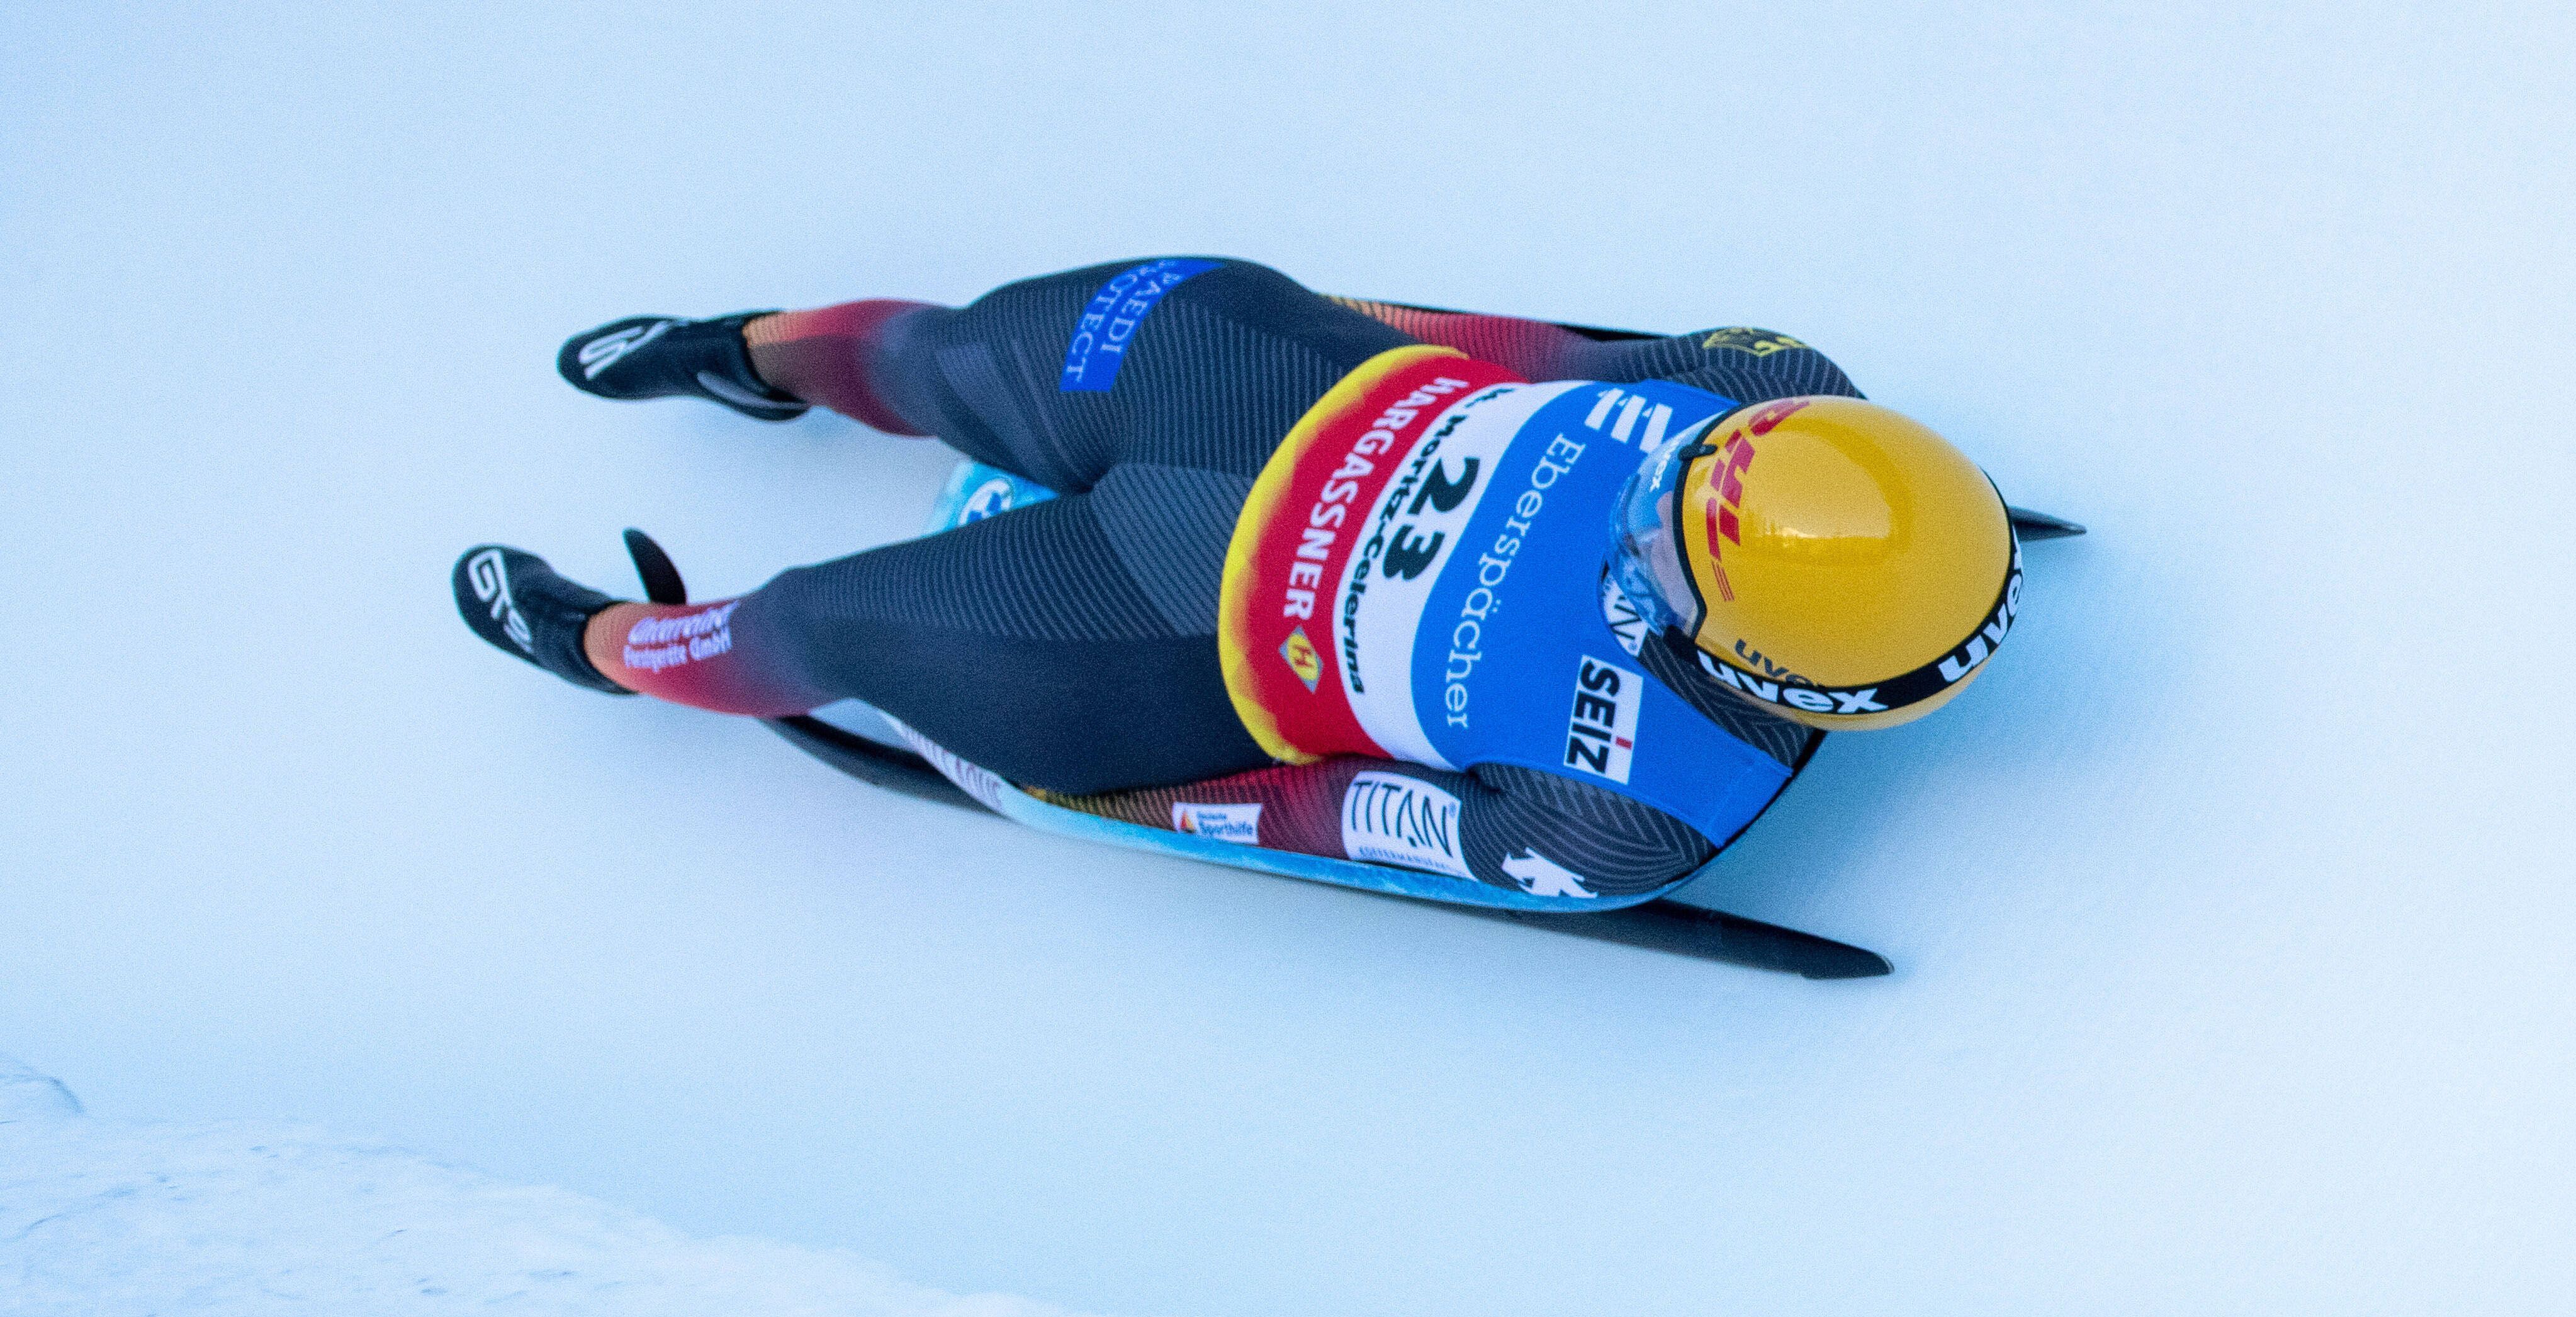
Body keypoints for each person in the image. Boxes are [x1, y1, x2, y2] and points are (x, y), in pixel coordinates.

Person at [456, 258, 2020, 899]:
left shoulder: (1633, 811)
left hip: (1163, 627)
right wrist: (1310, 321)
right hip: (1262, 384)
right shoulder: (1773, 379)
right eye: (1666, 486)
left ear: (1748, 671)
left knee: (815, 622)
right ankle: (754, 361)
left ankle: (607, 645)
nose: (1636, 510)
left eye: (1653, 563)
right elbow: (1504, 348)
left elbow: (1313, 812)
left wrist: (1075, 789)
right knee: (953, 352)